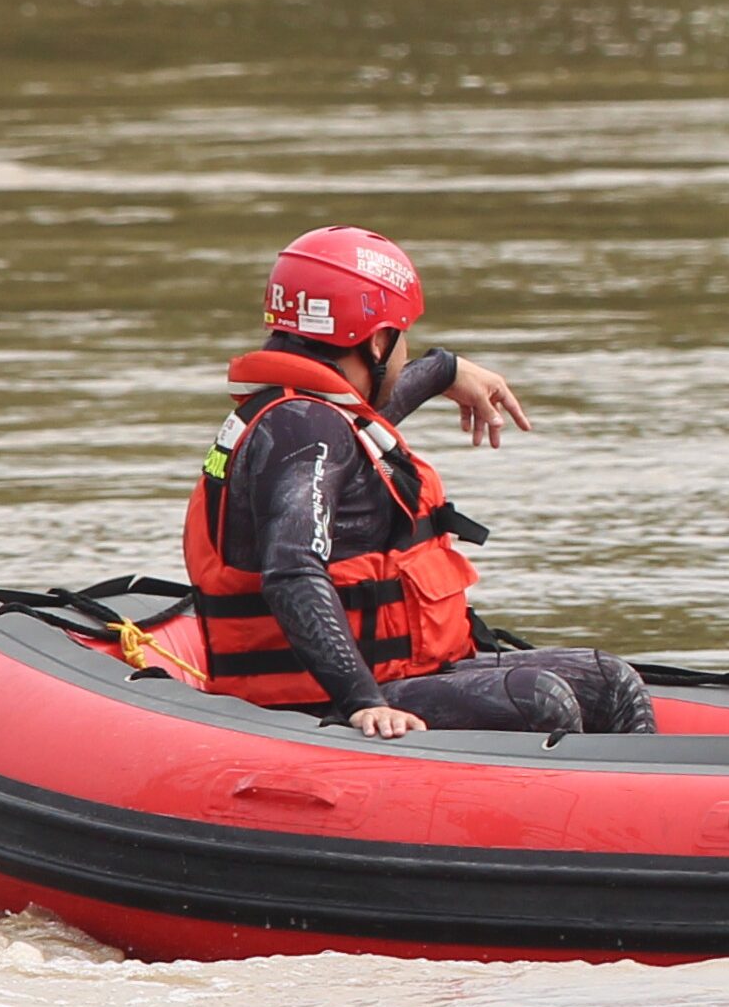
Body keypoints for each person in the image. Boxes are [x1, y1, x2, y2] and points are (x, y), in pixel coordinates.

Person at [180, 226, 656, 739]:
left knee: (612, 683)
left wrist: (445, 370)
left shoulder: (305, 415)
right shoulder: (304, 430)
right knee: (541, 702)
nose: (405, 352)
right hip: (322, 700)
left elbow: (369, 417)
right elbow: (292, 569)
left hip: (390, 675)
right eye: (402, 335)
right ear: (379, 340)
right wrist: (363, 702)